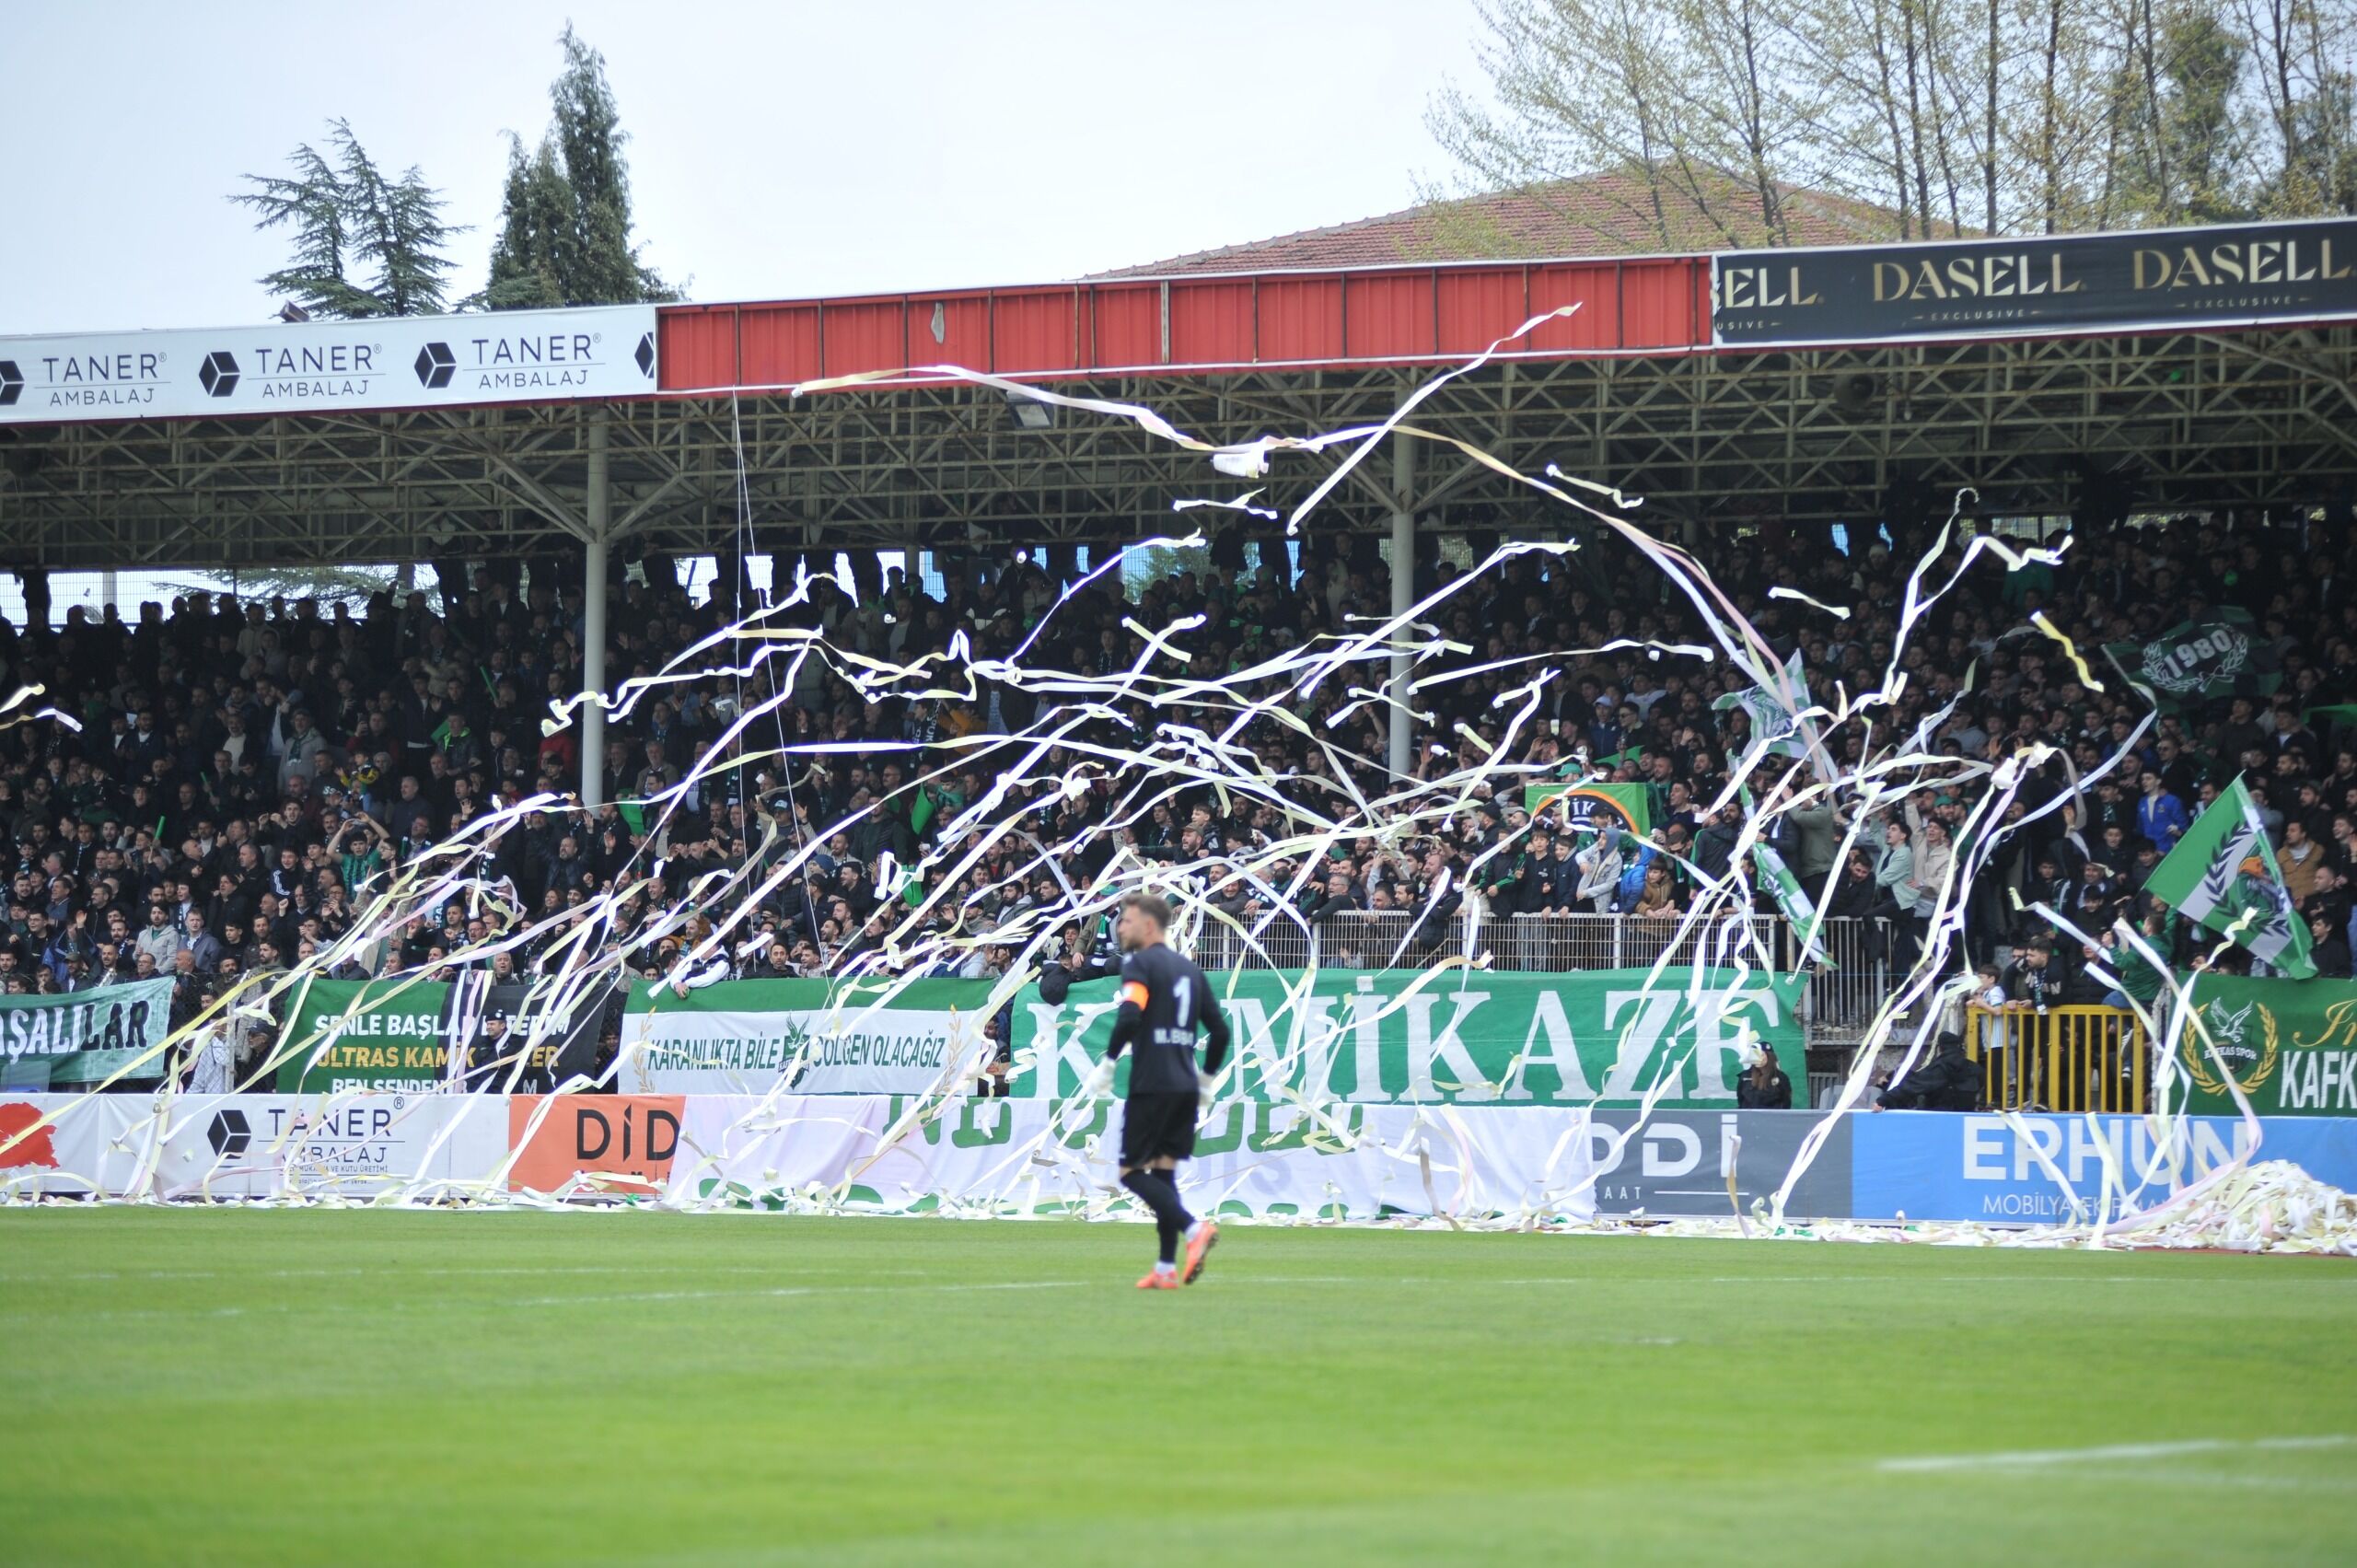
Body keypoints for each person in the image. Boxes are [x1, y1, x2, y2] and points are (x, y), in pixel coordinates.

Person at [1083, 891, 1231, 1290]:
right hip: (1184, 1085)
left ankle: (1193, 1227)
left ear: (1149, 924)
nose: (1121, 926)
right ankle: (1166, 1267)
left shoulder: (1139, 964)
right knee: (1163, 1175)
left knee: (1131, 1173)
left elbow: (1131, 1013)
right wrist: (1205, 1080)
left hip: (1153, 1084)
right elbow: (1220, 1031)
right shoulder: (1190, 970)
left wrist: (1110, 1061)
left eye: (1127, 920)